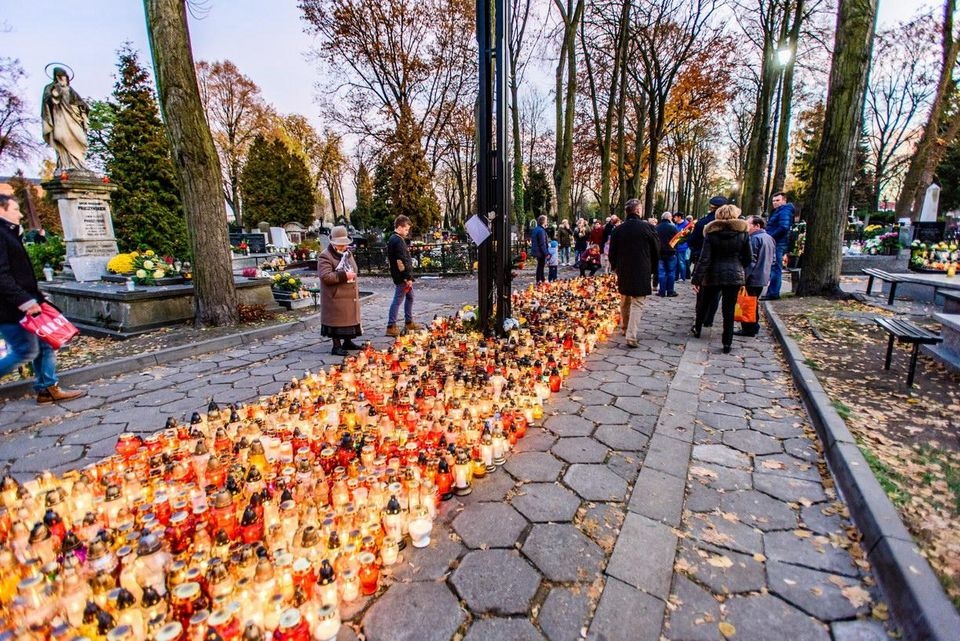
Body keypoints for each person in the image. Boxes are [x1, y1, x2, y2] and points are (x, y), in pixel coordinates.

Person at [0, 194, 86, 403]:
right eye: (15, 209)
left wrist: (35, 297)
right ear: (1, 210)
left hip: (24, 302)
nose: (20, 214)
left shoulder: (8, 233)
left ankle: (47, 388)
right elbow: (1, 274)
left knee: (43, 344)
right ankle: (47, 387)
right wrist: (24, 301)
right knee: (25, 351)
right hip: (11, 308)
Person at [691, 205, 752, 354]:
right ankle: (727, 342)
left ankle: (698, 328)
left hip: (713, 274)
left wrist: (697, 279)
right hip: (734, 276)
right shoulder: (743, 234)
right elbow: (748, 257)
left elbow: (704, 259)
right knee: (728, 310)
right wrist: (738, 266)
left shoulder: (711, 234)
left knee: (704, 303)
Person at [608, 199, 660, 348]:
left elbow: (612, 252)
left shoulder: (618, 230)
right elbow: (656, 249)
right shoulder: (648, 228)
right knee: (638, 302)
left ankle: (625, 328)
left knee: (625, 300)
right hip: (642, 268)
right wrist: (654, 268)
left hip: (623, 269)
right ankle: (631, 334)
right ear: (637, 211)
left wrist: (615, 267)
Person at [317, 226, 362, 356]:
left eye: (344, 244)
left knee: (348, 320)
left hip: (349, 295)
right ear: (332, 242)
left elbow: (354, 268)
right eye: (340, 244)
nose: (343, 247)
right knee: (336, 321)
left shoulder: (347, 253)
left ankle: (348, 342)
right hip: (335, 296)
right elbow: (325, 277)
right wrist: (343, 276)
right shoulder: (325, 256)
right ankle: (336, 346)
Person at [688, 196, 728, 328]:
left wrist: (696, 252)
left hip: (704, 260)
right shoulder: (733, 226)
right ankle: (709, 318)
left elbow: (692, 241)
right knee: (717, 293)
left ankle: (700, 316)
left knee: (702, 291)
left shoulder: (703, 223)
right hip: (725, 263)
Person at [41, 67, 90, 172]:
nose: (62, 79)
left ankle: (79, 164)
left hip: (73, 119)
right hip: (60, 118)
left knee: (81, 139)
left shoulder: (70, 90)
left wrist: (83, 114)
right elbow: (48, 101)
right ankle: (66, 164)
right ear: (56, 77)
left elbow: (82, 104)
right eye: (59, 76)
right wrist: (56, 91)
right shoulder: (50, 88)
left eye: (63, 76)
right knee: (61, 138)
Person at [738, 216, 776, 337]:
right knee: (753, 302)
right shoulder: (769, 238)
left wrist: (743, 278)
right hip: (763, 276)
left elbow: (750, 261)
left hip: (753, 277)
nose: (746, 227)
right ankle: (753, 326)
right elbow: (774, 260)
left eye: (748, 224)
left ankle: (749, 327)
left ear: (757, 225)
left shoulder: (754, 239)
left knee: (749, 303)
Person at [386, 215, 420, 336]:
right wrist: (407, 278)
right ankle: (391, 326)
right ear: (399, 227)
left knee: (410, 297)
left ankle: (409, 322)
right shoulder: (397, 240)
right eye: (406, 229)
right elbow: (401, 261)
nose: (407, 232)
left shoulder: (395, 239)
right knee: (398, 299)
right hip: (402, 277)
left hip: (401, 276)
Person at [763, 192, 795, 300]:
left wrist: (770, 237)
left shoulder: (784, 211)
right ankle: (772, 292)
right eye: (773, 201)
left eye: (778, 200)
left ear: (784, 200)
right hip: (776, 242)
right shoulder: (780, 211)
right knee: (774, 267)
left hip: (777, 243)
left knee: (775, 268)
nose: (775, 203)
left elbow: (783, 227)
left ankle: (773, 293)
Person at [655, 212, 679, 297]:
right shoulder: (673, 228)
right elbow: (677, 240)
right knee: (671, 272)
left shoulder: (657, 227)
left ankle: (661, 291)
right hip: (671, 253)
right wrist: (675, 250)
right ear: (669, 218)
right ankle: (670, 291)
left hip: (660, 253)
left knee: (661, 272)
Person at [530, 215, 549, 284]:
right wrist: (546, 253)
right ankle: (539, 280)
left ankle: (541, 279)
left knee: (540, 265)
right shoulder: (541, 230)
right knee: (541, 266)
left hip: (537, 250)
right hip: (540, 251)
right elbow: (542, 243)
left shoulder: (536, 229)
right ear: (543, 221)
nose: (547, 222)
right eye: (546, 220)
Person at [673, 212, 689, 282]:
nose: (674, 218)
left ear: (679, 217)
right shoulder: (676, 224)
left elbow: (687, 236)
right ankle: (676, 277)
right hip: (676, 246)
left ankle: (683, 278)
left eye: (675, 217)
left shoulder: (686, 225)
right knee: (676, 262)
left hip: (682, 246)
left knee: (682, 262)